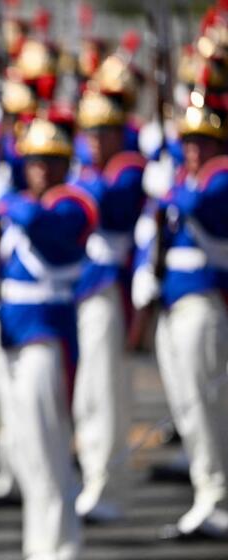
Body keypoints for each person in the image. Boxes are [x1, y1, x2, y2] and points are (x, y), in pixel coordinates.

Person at [0, 113, 97, 560]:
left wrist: (4, 200)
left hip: (45, 335)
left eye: (50, 159)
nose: (41, 167)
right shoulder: (17, 203)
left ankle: (60, 547)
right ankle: (39, 546)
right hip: (11, 331)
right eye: (34, 159)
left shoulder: (72, 204)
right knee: (25, 449)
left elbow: (48, 231)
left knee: (49, 447)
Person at [133, 99, 228, 540]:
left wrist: (165, 187)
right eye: (188, 141)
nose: (193, 150)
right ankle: (205, 493)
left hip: (204, 301)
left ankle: (218, 497)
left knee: (206, 406)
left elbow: (204, 206)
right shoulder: (183, 179)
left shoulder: (219, 177)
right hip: (173, 302)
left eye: (201, 142)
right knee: (185, 407)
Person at [71, 90, 145, 522]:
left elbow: (106, 204)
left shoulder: (129, 169)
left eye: (105, 132)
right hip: (84, 286)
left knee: (105, 391)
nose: (97, 140)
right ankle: (94, 477)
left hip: (109, 288)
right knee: (86, 393)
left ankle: (108, 484)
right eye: (92, 132)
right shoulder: (90, 169)